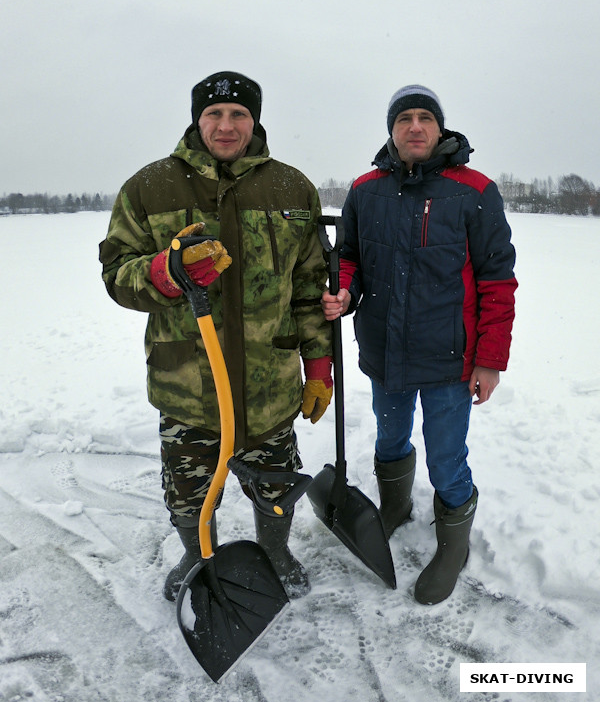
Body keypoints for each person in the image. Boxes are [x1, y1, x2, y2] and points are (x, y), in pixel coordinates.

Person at [100, 71, 332, 600]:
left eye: (239, 115)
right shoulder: (149, 186)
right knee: (189, 492)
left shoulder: (293, 189)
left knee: (276, 487)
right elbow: (116, 274)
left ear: (255, 120)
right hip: (189, 383)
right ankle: (195, 553)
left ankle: (275, 550)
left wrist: (319, 364)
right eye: (214, 114)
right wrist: (163, 273)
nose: (226, 126)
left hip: (269, 381)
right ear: (196, 119)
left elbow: (308, 288)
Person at [321, 85, 517, 604]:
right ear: (391, 130)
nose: (414, 127)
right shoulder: (365, 191)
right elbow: (350, 258)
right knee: (389, 440)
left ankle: (453, 544)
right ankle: (395, 507)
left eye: (424, 118)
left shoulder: (474, 191)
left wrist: (490, 361)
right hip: (385, 350)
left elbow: (498, 280)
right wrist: (343, 289)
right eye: (404, 118)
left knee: (446, 457)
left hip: (450, 357)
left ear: (439, 128)